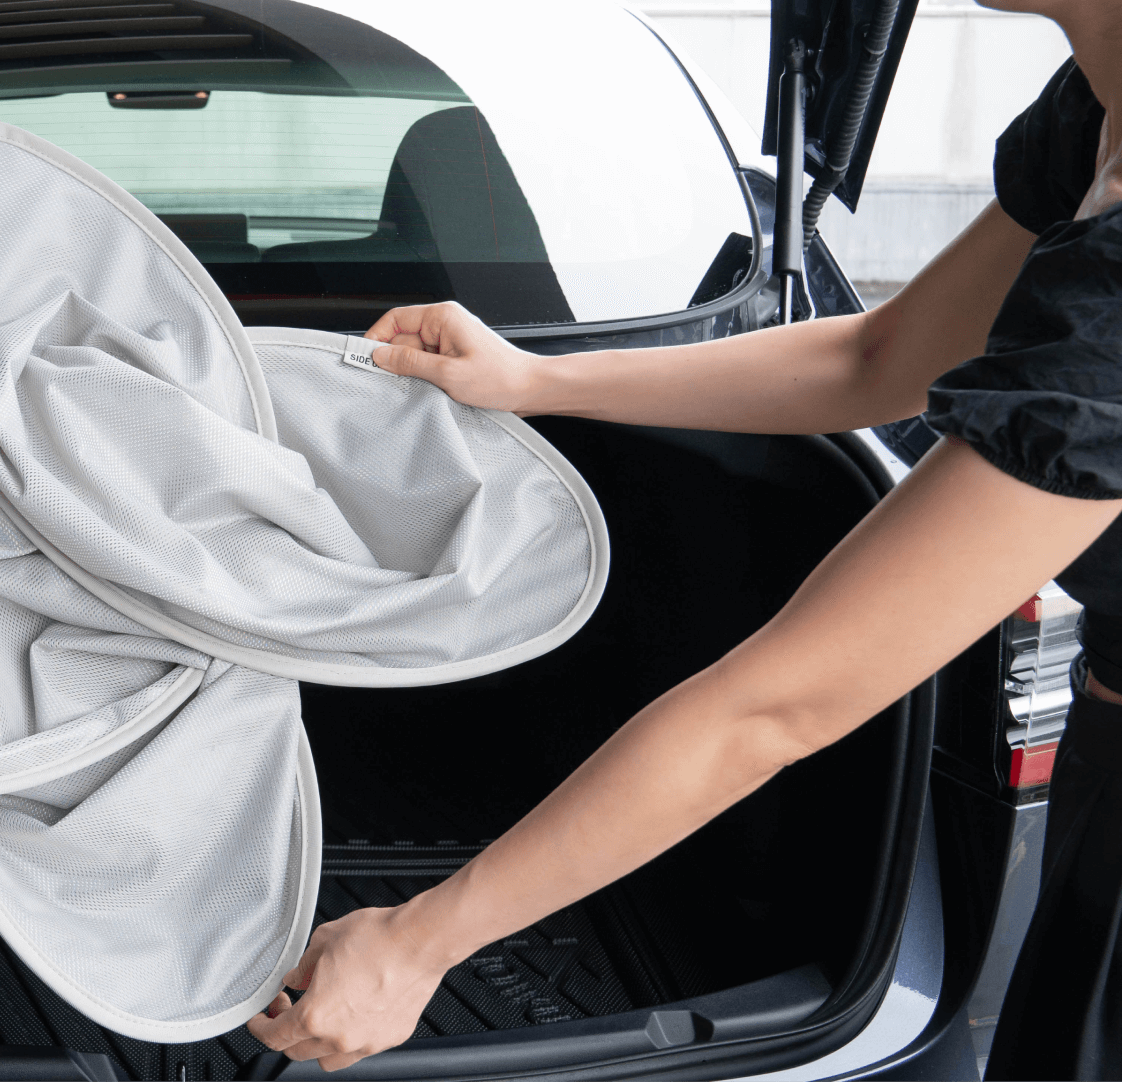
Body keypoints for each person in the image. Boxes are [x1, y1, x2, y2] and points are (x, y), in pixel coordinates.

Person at [245, 1, 1122, 1075]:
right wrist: (532, 380)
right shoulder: (1094, 105)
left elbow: (777, 703)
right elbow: (878, 360)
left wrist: (420, 942)